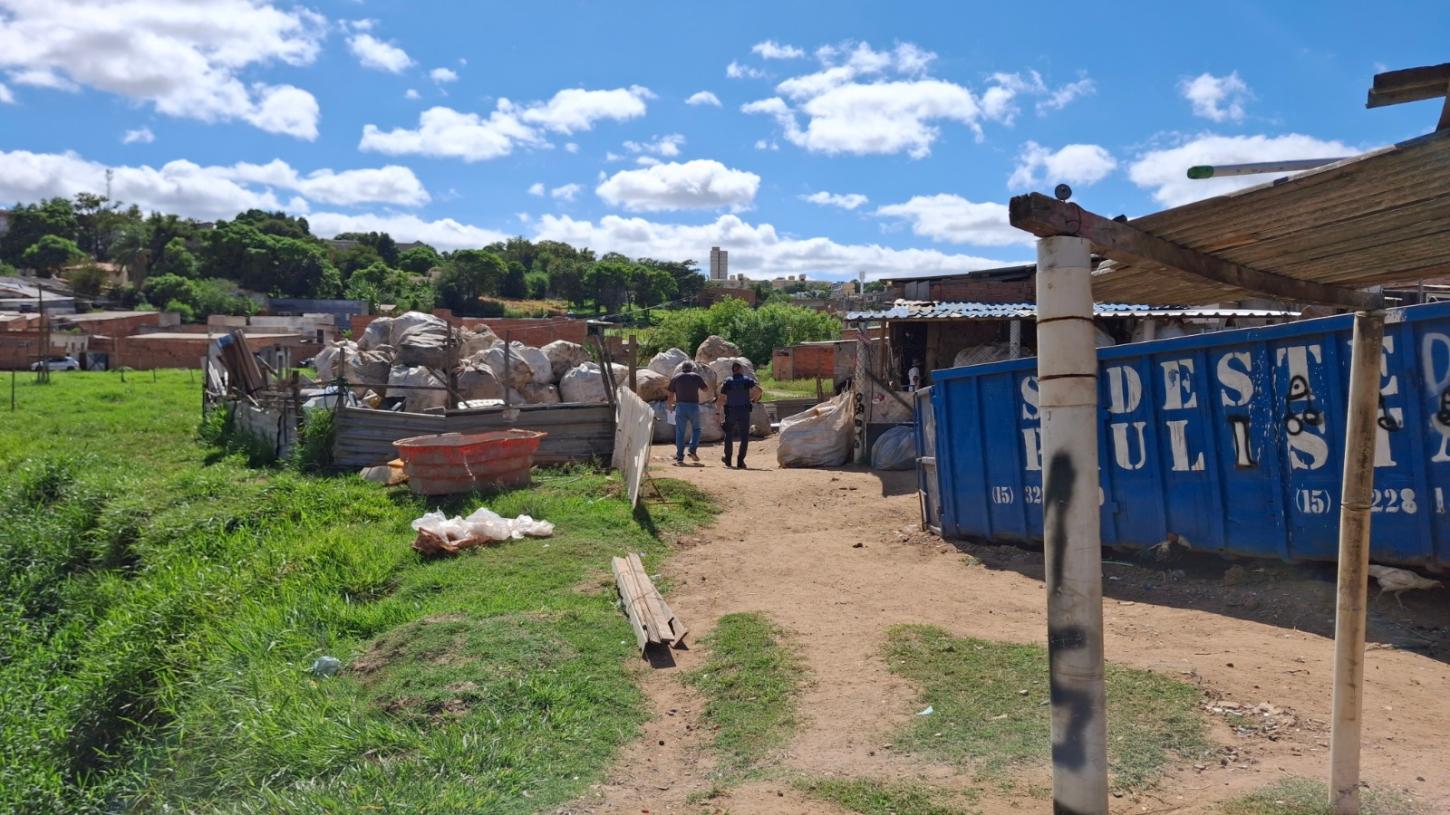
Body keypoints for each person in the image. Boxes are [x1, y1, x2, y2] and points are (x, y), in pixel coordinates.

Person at [717, 361, 762, 469]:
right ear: (741, 369)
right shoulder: (747, 380)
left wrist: (717, 412)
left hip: (731, 411)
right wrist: (754, 400)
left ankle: (728, 460)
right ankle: (740, 461)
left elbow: (721, 399)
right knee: (744, 437)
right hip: (744, 411)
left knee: (729, 434)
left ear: (732, 370)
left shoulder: (727, 382)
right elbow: (759, 391)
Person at [666, 361, 708, 465]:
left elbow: (670, 394)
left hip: (680, 407)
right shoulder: (696, 376)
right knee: (696, 429)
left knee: (680, 432)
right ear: (691, 368)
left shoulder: (676, 377)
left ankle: (680, 457)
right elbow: (706, 389)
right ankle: (692, 449)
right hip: (693, 406)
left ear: (682, 368)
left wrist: (670, 406)